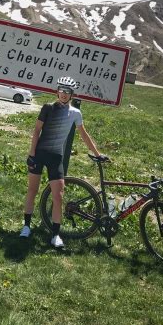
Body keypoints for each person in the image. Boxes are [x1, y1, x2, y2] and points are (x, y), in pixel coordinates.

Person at [19, 76, 107, 248]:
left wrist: (97, 153)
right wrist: (31, 154)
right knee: (32, 190)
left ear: (72, 94)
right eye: (62, 90)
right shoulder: (47, 108)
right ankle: (26, 226)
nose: (64, 94)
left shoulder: (76, 113)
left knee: (58, 197)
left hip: (55, 158)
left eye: (68, 92)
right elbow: (37, 130)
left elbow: (84, 134)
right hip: (39, 154)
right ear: (57, 91)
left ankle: (55, 235)